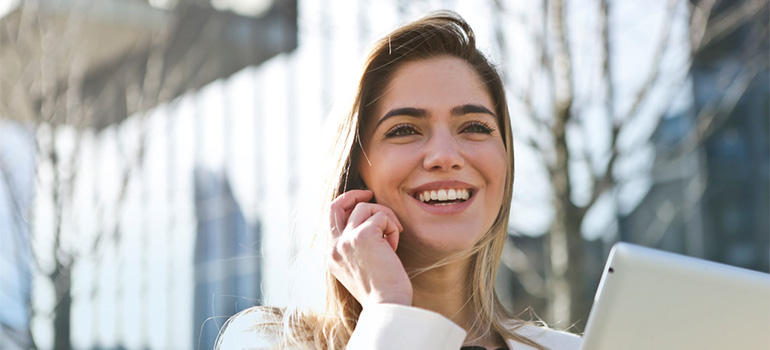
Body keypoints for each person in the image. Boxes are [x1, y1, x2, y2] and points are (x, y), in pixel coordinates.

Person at [217, 10, 582, 350]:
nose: (445, 156)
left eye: (474, 127)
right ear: (356, 170)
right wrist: (387, 309)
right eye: (405, 129)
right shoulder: (265, 342)